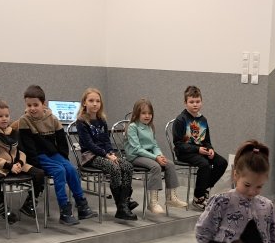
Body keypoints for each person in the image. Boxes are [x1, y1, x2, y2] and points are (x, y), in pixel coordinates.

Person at [17, 84, 97, 225]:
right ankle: (65, 211)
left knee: (71, 169)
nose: (32, 108)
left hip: (54, 155)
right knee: (59, 171)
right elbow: (29, 147)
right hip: (38, 156)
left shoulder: (53, 119)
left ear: (43, 104)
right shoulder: (24, 120)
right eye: (29, 105)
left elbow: (61, 141)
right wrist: (37, 165)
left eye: (36, 105)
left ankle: (82, 205)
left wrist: (63, 159)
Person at [0, 99, 45, 223]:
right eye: (0, 116)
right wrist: (9, 166)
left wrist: (20, 163)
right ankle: (2, 208)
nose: (4, 119)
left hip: (16, 164)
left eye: (7, 116)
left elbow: (22, 151)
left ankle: (29, 203)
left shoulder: (14, 132)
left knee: (39, 173)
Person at [75, 88, 137, 222]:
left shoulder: (101, 120)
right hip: (90, 156)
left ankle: (123, 203)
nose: (95, 104)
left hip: (105, 154)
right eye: (91, 101)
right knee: (114, 168)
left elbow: (106, 141)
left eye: (97, 101)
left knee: (127, 166)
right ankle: (122, 206)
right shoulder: (81, 121)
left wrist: (111, 153)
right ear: (84, 103)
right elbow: (89, 144)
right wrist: (106, 155)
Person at [125, 98, 188, 215]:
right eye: (144, 113)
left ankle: (171, 197)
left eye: (149, 113)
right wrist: (155, 158)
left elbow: (154, 145)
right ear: (137, 113)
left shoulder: (149, 127)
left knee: (169, 164)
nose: (147, 116)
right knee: (156, 167)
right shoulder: (133, 127)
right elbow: (137, 149)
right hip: (135, 156)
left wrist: (160, 155)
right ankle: (152, 202)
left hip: (149, 155)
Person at [172, 85, 228, 211]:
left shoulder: (203, 120)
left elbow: (206, 141)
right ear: (185, 103)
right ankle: (198, 197)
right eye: (191, 102)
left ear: (201, 102)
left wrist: (210, 148)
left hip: (200, 150)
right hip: (184, 152)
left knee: (222, 162)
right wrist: (197, 150)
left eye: (197, 101)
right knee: (204, 164)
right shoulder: (180, 120)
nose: (195, 104)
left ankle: (204, 189)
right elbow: (179, 144)